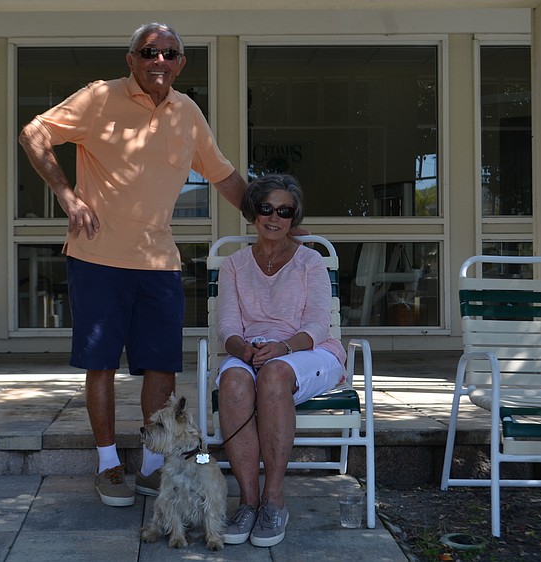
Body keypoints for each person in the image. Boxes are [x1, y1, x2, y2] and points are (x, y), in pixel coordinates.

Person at [18, 22, 247, 507]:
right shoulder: (99, 98)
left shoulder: (187, 113)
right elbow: (33, 133)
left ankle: (150, 467)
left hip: (159, 263)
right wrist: (65, 194)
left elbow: (224, 178)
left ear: (182, 64)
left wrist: (274, 217)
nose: (158, 60)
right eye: (148, 52)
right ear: (132, 59)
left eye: (169, 53)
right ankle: (107, 465)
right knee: (100, 364)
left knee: (161, 368)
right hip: (97, 257)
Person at [215, 174, 347, 547]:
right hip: (252, 349)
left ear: (294, 216)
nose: (274, 217)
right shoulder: (234, 265)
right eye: (266, 208)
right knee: (234, 382)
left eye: (284, 210)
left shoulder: (310, 262)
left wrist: (285, 347)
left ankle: (274, 500)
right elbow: (227, 324)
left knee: (273, 376)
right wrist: (243, 350)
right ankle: (248, 501)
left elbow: (319, 324)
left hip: (307, 350)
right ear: (253, 212)